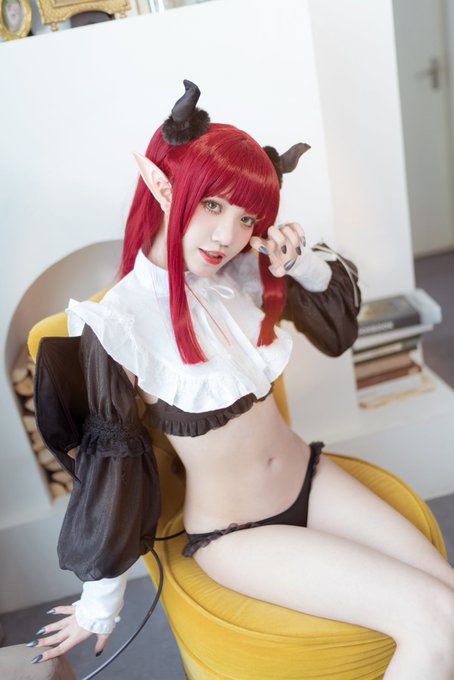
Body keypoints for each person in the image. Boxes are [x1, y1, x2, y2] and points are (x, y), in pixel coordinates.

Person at [30, 81, 454, 678]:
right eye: (212, 205)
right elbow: (111, 467)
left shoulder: (241, 277)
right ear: (163, 186)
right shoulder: (118, 324)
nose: (226, 236)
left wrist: (300, 263)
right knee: (435, 617)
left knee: (449, 598)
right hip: (238, 531)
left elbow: (337, 335)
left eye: (245, 216)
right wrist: (98, 604)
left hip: (311, 476)